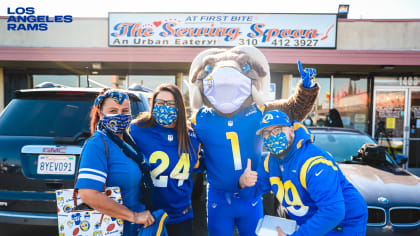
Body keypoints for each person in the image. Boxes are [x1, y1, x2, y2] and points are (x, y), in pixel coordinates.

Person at [240, 110, 368, 236]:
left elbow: (333, 212)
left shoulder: (314, 163)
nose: (272, 137)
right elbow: (251, 194)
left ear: (291, 130)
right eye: (266, 133)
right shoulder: (269, 162)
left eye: (278, 130)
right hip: (313, 219)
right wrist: (243, 183)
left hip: (344, 223)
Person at [75, 89, 156, 236]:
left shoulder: (127, 142)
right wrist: (134, 216)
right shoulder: (97, 144)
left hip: (133, 229)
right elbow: (88, 194)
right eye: (113, 110)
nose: (120, 115)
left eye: (125, 111)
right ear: (100, 113)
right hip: (111, 230)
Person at [129, 84, 202, 236]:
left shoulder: (192, 136)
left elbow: (201, 164)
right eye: (160, 103)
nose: (164, 107)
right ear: (153, 105)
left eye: (170, 103)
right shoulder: (138, 129)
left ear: (179, 107)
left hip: (181, 216)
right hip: (149, 216)